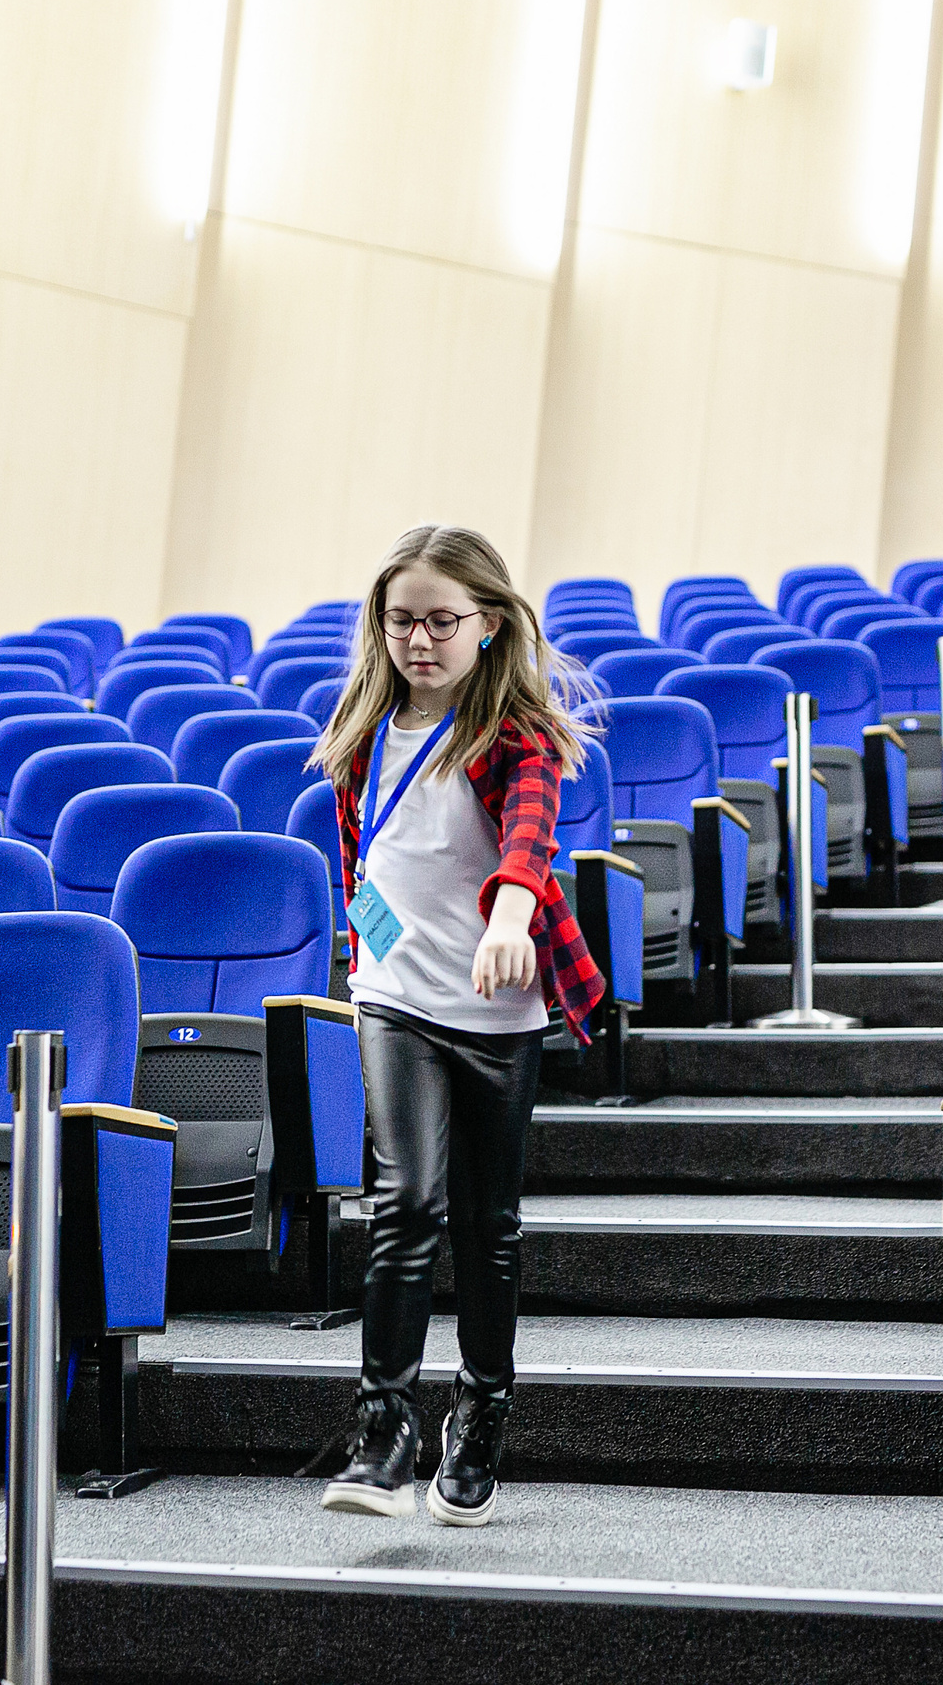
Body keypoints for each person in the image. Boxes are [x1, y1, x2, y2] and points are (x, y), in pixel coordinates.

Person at [311, 523, 604, 1527]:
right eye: (402, 620)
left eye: (442, 620)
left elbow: (528, 840)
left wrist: (511, 921)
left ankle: (480, 1412)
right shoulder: (361, 739)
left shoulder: (517, 737)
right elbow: (363, 864)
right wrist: (376, 953)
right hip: (395, 1000)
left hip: (496, 1007)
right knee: (406, 1199)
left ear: (489, 624)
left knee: (487, 1226)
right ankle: (383, 1429)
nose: (419, 639)